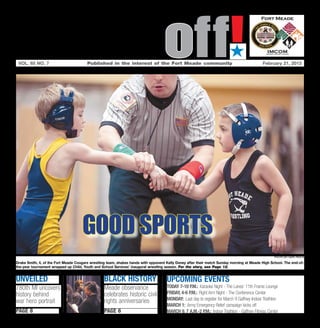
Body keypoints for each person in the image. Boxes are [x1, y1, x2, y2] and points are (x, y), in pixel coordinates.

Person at [16, 83, 155, 255]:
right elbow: (114, 157)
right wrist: (142, 161)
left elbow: (19, 184)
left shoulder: (35, 147)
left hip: (20, 221)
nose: (84, 120)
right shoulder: (70, 148)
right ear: (63, 116)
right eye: (80, 115)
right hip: (44, 227)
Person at [97, 74, 215, 254]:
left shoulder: (195, 97)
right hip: (133, 170)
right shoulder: (129, 92)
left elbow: (205, 151)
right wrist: (135, 158)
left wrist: (189, 173)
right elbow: (105, 135)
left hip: (181, 171)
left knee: (196, 242)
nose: (158, 77)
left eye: (165, 70)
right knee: (123, 241)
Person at [165, 102, 293, 254]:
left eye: (223, 129)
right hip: (236, 242)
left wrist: (279, 227)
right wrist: (170, 182)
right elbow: (199, 192)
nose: (217, 134)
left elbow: (286, 194)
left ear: (243, 131)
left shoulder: (262, 163)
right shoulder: (223, 166)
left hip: (263, 241)